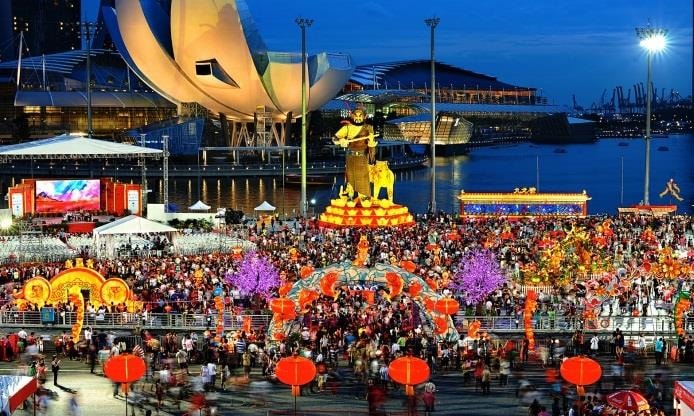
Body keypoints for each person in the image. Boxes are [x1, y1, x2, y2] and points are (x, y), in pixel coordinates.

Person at [332, 108, 377, 199]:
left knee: (362, 178)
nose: (358, 118)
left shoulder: (368, 128)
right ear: (352, 116)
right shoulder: (347, 127)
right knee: (350, 176)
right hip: (350, 156)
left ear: (365, 117)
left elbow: (372, 144)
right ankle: (350, 196)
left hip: (362, 157)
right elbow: (334, 138)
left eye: (360, 116)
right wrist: (341, 140)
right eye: (355, 115)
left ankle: (364, 197)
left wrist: (371, 141)